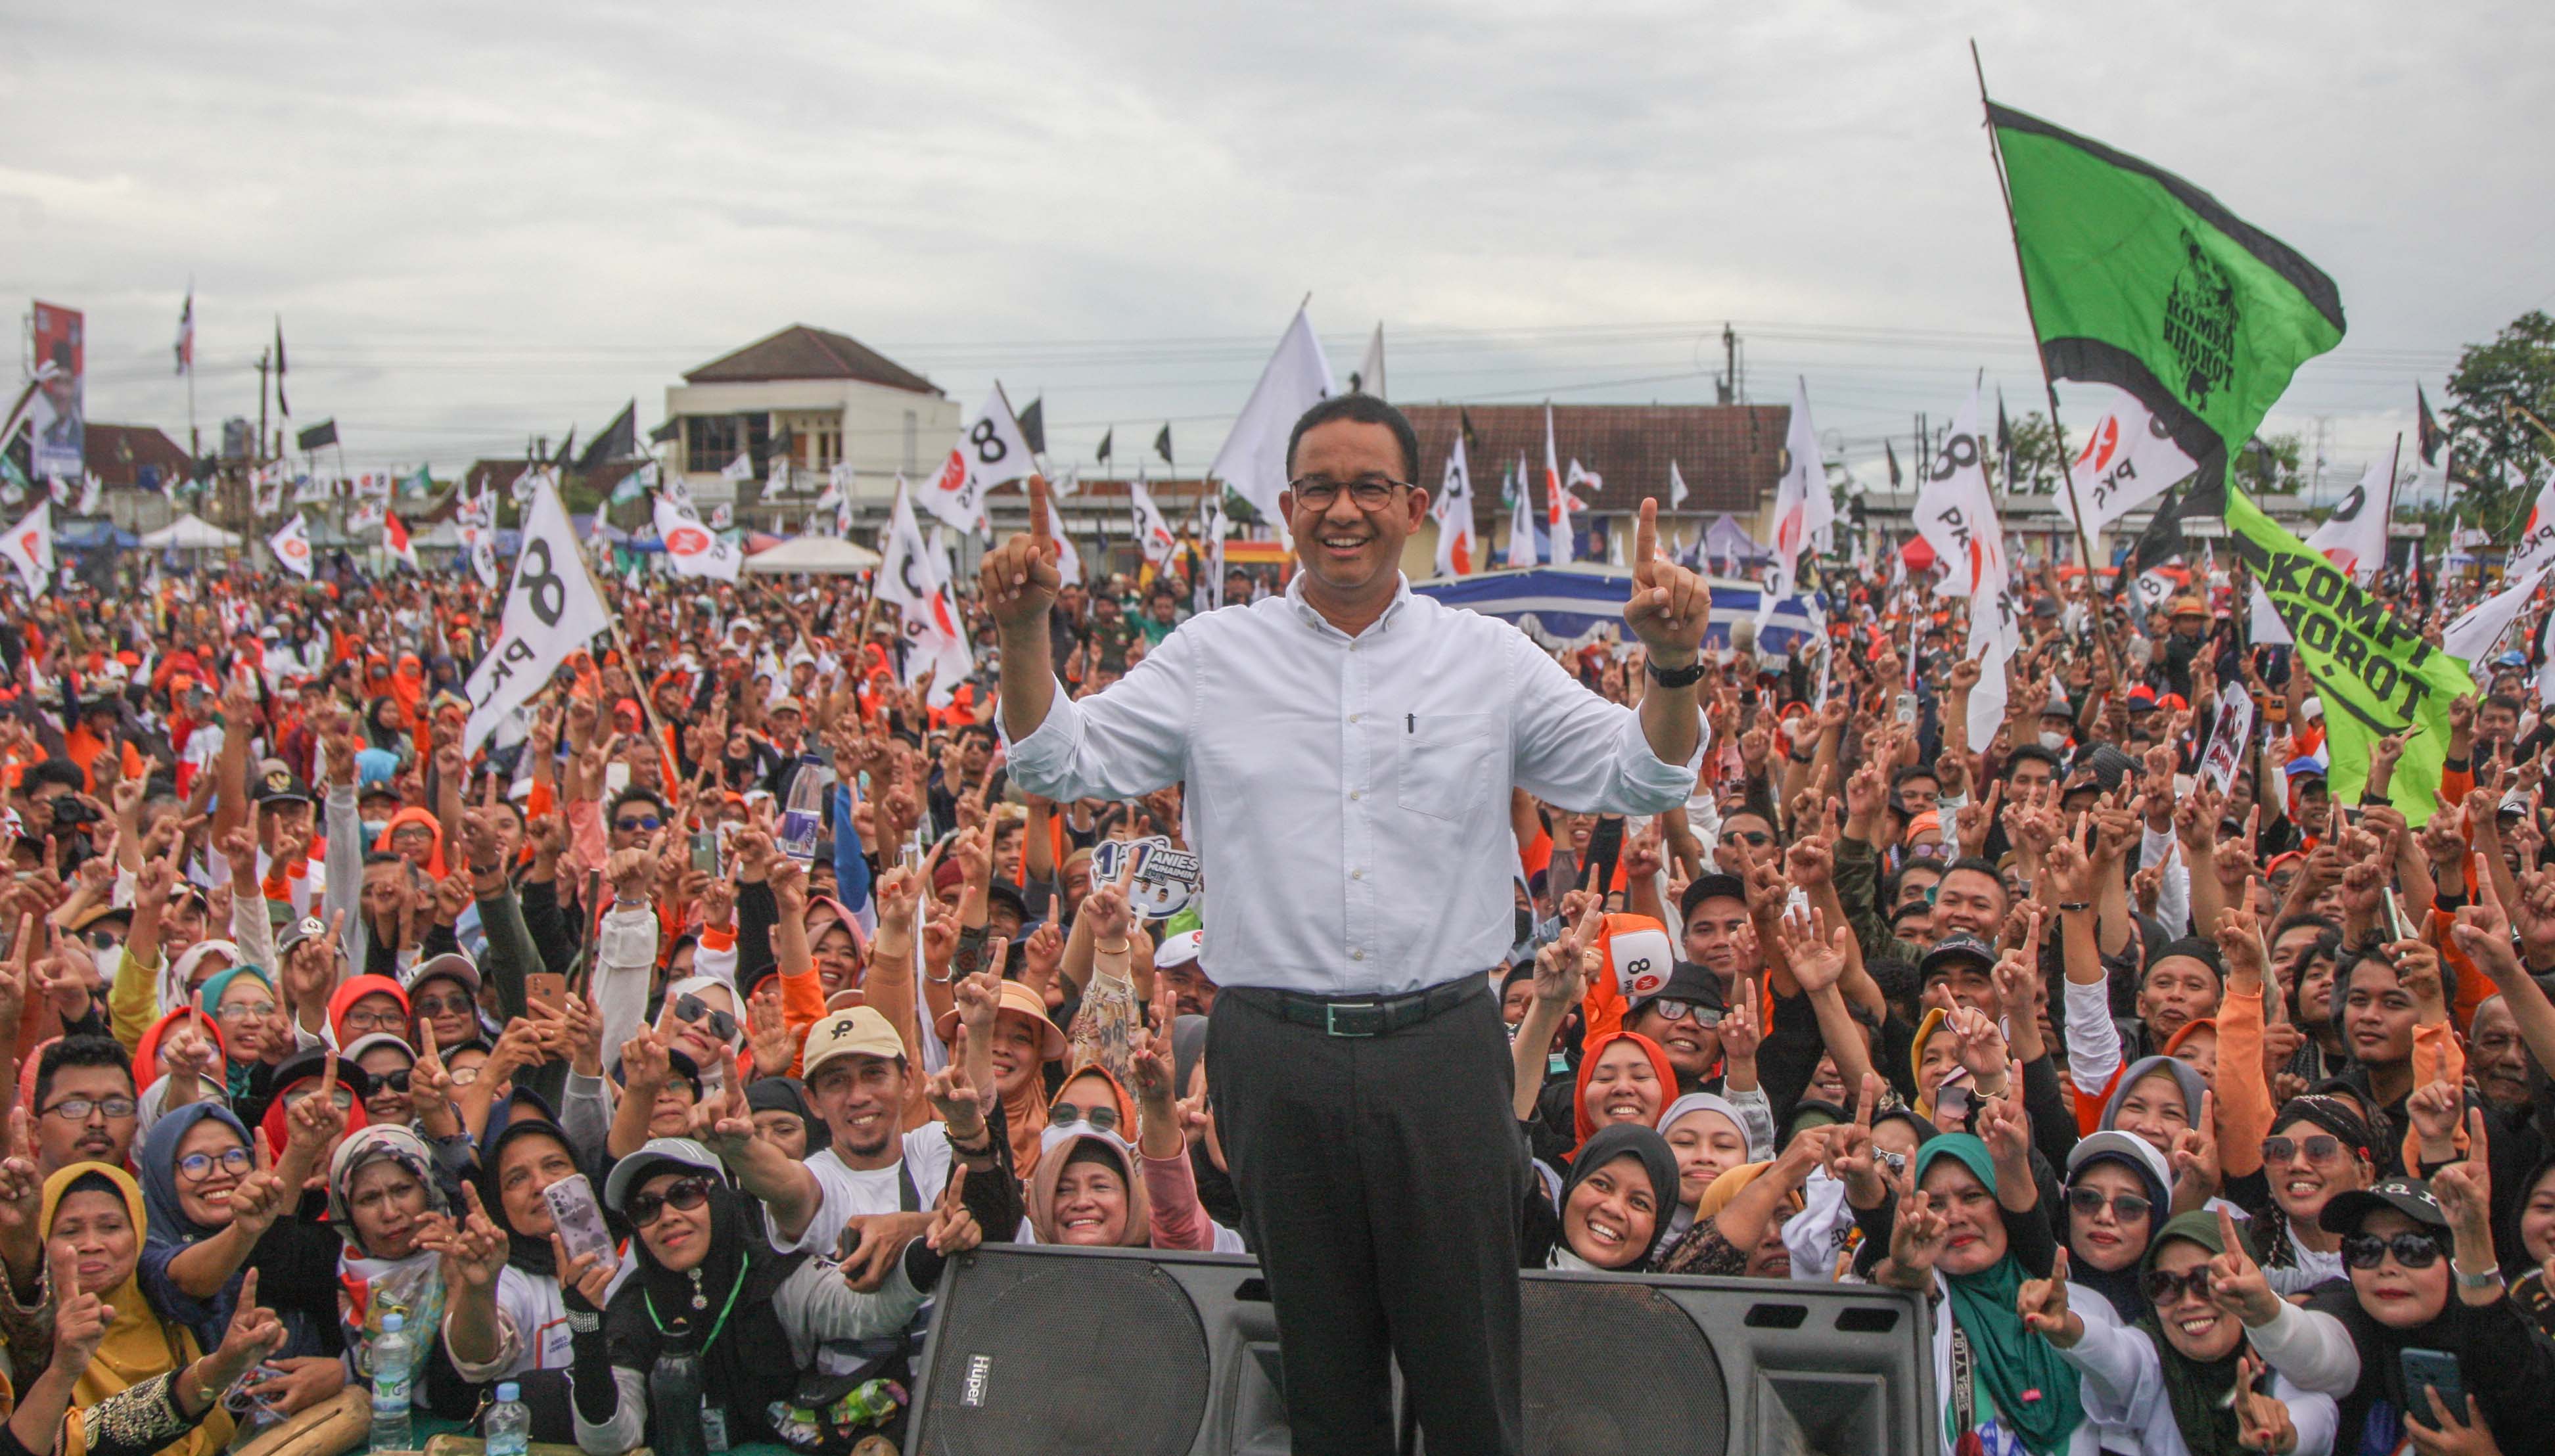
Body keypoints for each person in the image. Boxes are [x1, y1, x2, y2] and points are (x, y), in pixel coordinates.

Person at [982, 393, 1713, 1454]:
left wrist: (1675, 666)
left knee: (1468, 1377)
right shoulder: (1212, 655)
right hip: (1275, 1057)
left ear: (1413, 506)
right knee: (1326, 1386)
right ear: (1287, 508)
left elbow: (1642, 773)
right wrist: (1022, 634)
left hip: (1443, 1053)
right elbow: (1058, 760)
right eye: (1319, 487)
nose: (1343, 509)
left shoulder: (1485, 659)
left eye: (1371, 485)